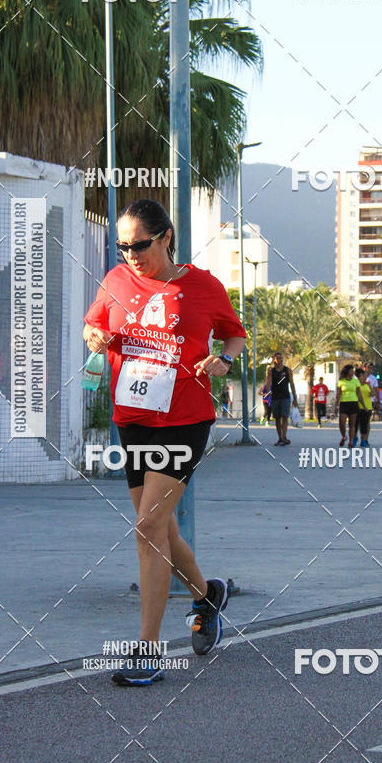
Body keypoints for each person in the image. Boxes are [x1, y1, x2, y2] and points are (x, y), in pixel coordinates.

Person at [83, 199, 246, 685]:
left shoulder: (202, 285)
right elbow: (94, 324)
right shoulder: (115, 282)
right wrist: (94, 336)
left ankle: (148, 652)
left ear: (166, 237)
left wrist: (223, 360)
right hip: (133, 419)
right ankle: (208, 595)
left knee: (147, 526)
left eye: (140, 244)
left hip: (184, 418)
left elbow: (234, 335)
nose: (130, 254)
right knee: (161, 531)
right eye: (122, 246)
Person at [266, 352, 298, 445]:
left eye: (281, 358)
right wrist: (268, 393)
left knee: (284, 417)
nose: (279, 360)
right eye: (278, 358)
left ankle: (284, 437)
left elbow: (292, 384)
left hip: (285, 397)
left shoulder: (288, 370)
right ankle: (280, 437)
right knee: (277, 418)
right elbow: (268, 383)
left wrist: (295, 398)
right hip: (275, 397)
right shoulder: (271, 371)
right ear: (274, 360)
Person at [335, 364, 360, 447]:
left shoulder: (356, 381)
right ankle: (344, 436)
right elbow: (338, 394)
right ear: (347, 371)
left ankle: (351, 441)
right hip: (344, 403)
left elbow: (359, 393)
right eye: (351, 371)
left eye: (353, 371)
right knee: (341, 423)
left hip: (353, 403)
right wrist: (336, 405)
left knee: (352, 424)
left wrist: (363, 405)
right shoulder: (341, 381)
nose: (353, 372)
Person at [355, 367, 372, 446]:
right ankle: (355, 438)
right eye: (363, 376)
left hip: (368, 407)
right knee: (356, 424)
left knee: (365, 425)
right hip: (358, 407)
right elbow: (358, 397)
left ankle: (364, 440)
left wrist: (370, 388)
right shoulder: (356, 385)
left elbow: (373, 394)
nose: (365, 377)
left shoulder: (367, 385)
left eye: (365, 376)